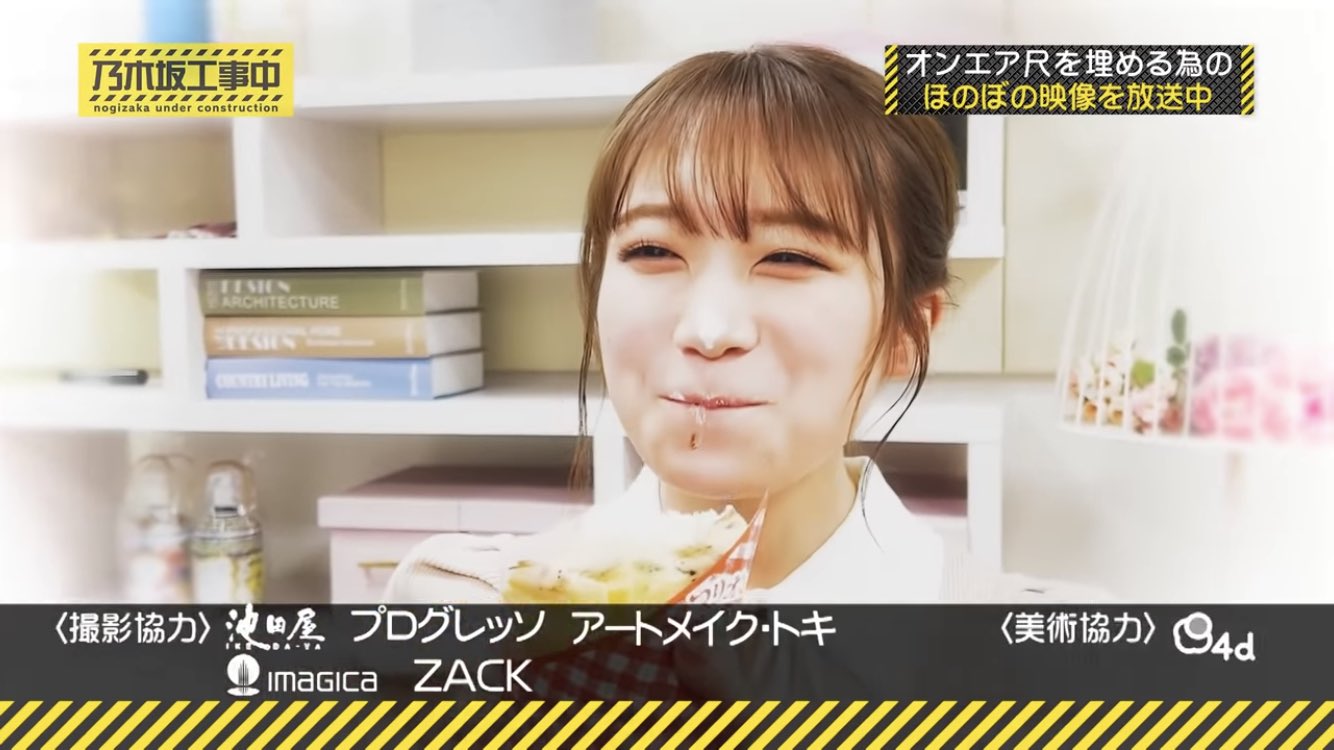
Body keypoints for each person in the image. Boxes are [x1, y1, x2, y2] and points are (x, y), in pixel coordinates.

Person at [385, 43, 1109, 606]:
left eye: (790, 257)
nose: (709, 329)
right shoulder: (459, 606)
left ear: (905, 332)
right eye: (652, 251)